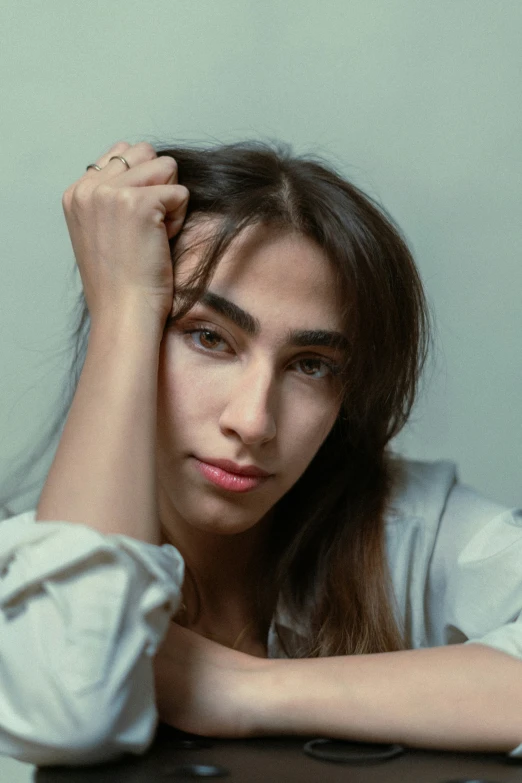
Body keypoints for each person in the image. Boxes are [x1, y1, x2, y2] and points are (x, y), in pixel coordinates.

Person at [0, 140, 521, 767]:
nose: (253, 422)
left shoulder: (411, 535)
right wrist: (124, 311)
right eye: (208, 337)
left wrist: (236, 687)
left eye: (311, 365)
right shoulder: (22, 582)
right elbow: (71, 710)